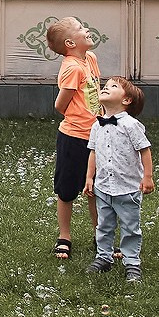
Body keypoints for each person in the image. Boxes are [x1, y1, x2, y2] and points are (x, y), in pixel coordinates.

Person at [83, 77, 152, 282]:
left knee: (130, 227)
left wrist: (147, 176)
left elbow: (144, 150)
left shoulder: (132, 125)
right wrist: (89, 177)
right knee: (103, 225)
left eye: (113, 87)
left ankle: (132, 262)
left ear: (127, 100)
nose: (106, 88)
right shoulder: (97, 125)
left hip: (127, 187)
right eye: (105, 86)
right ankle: (103, 257)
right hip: (104, 186)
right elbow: (93, 152)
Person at [45, 16, 100, 262]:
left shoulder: (90, 59)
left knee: (96, 189)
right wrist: (82, 118)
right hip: (74, 138)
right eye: (80, 28)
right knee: (67, 190)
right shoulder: (72, 68)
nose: (86, 28)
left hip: (97, 136)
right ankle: (64, 236)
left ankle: (102, 235)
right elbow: (60, 105)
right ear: (69, 42)